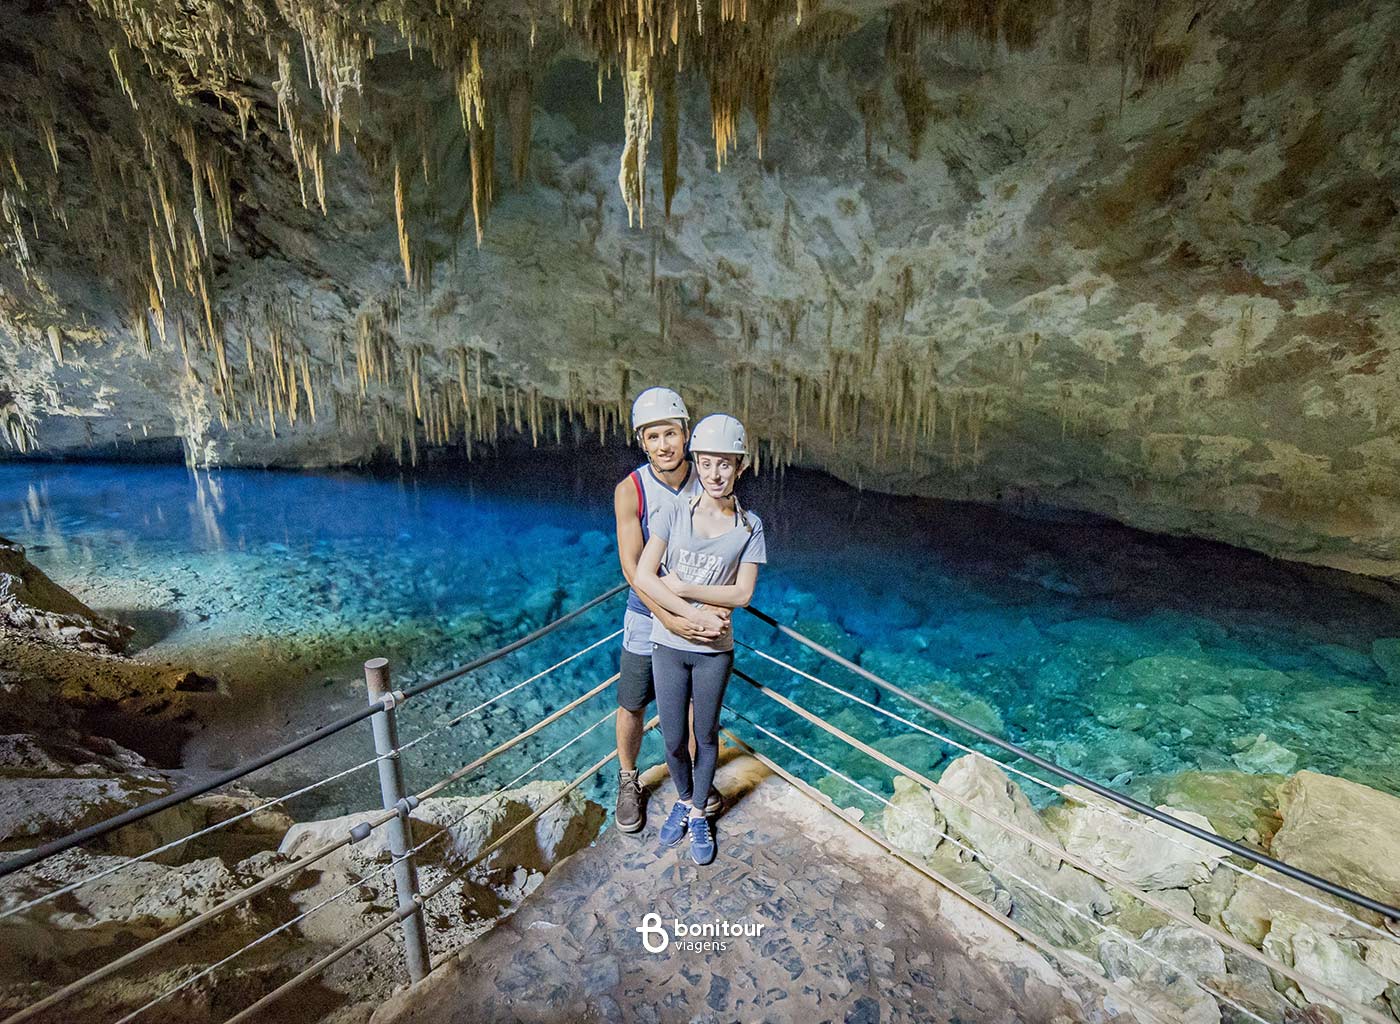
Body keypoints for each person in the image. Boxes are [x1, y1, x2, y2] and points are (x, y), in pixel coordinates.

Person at [633, 413, 766, 865]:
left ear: (740, 467)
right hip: (669, 643)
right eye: (707, 463)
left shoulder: (751, 527)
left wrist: (684, 587)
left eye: (725, 464)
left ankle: (696, 815)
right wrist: (691, 615)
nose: (714, 473)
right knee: (672, 737)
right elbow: (645, 575)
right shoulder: (673, 511)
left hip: (714, 651)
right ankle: (687, 800)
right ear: (697, 461)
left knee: (705, 735)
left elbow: (743, 594)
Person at [613, 387, 728, 834]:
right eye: (653, 436)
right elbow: (631, 566)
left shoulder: (709, 481)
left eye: (671, 434)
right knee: (633, 700)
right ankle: (628, 778)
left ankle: (697, 784)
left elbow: (728, 547)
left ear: (686, 434)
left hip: (699, 611)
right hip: (647, 614)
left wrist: (712, 610)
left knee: (700, 703)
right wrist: (670, 618)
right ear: (643, 442)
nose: (664, 445)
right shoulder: (632, 490)